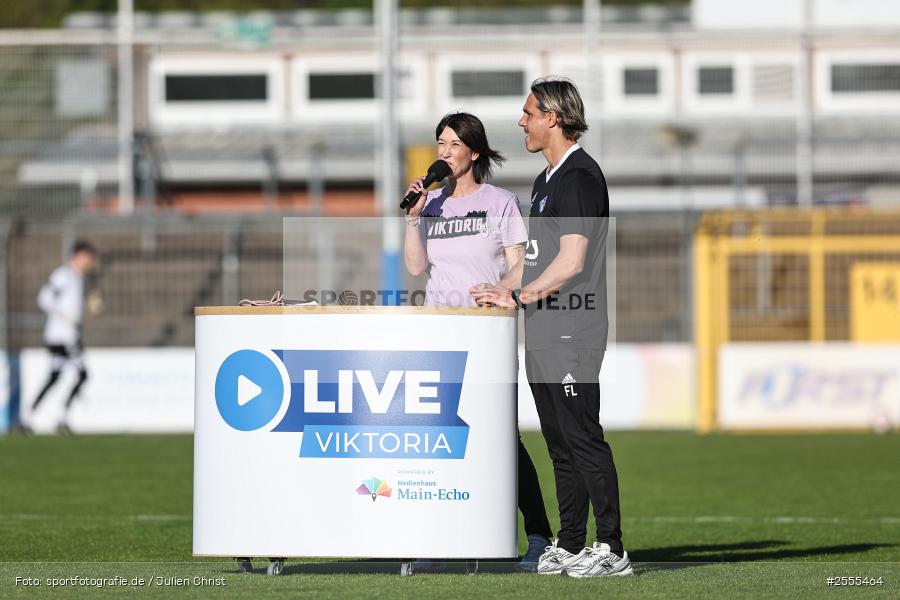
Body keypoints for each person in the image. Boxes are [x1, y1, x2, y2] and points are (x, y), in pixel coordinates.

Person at [470, 78, 632, 577]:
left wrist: (519, 297)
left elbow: (572, 261)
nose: (521, 122)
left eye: (529, 113)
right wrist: (501, 287)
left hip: (573, 330)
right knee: (558, 444)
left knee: (582, 437)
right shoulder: (545, 180)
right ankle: (571, 542)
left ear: (553, 118)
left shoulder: (580, 176)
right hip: (542, 330)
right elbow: (536, 261)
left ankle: (612, 548)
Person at [404, 112, 553, 572]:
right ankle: (441, 537)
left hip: (487, 332)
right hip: (439, 335)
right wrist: (413, 218)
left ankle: (539, 536)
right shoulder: (431, 203)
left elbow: (520, 265)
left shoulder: (500, 202)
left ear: (474, 151)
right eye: (440, 143)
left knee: (502, 436)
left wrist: (500, 290)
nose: (444, 152)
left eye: (453, 144)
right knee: (440, 436)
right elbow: (416, 268)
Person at [28, 240, 98, 434]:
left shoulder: (79, 278)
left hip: (69, 336)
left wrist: (87, 312)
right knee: (82, 374)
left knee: (55, 376)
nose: (90, 262)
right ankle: (61, 417)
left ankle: (29, 415)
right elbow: (44, 298)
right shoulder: (64, 275)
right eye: (88, 258)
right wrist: (65, 316)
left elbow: (75, 310)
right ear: (78, 256)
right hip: (61, 337)